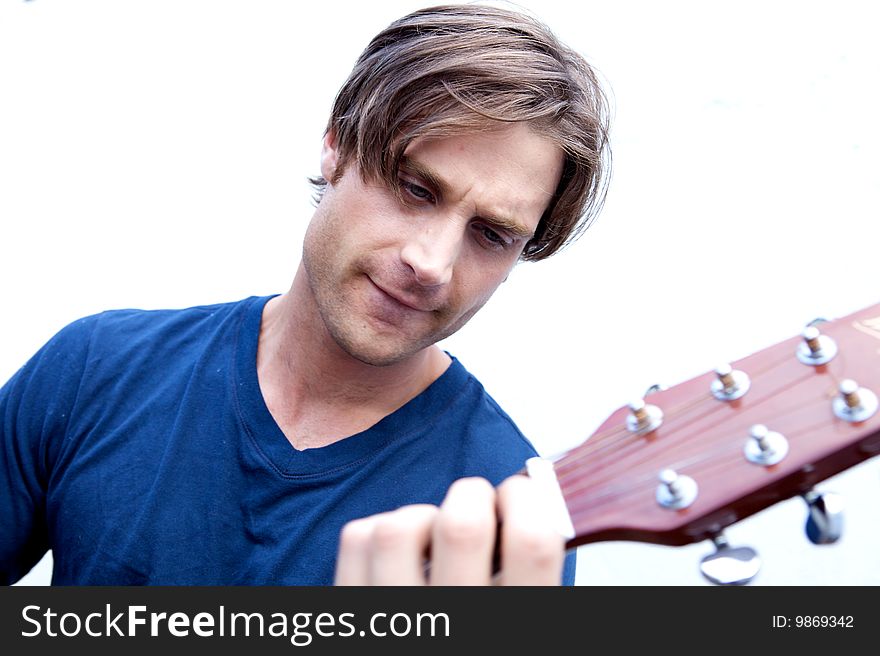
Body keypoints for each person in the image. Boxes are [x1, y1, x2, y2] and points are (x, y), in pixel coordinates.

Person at [0, 3, 610, 585]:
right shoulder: (95, 369)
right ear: (337, 143)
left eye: (491, 234)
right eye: (417, 189)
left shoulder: (507, 523)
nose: (432, 263)